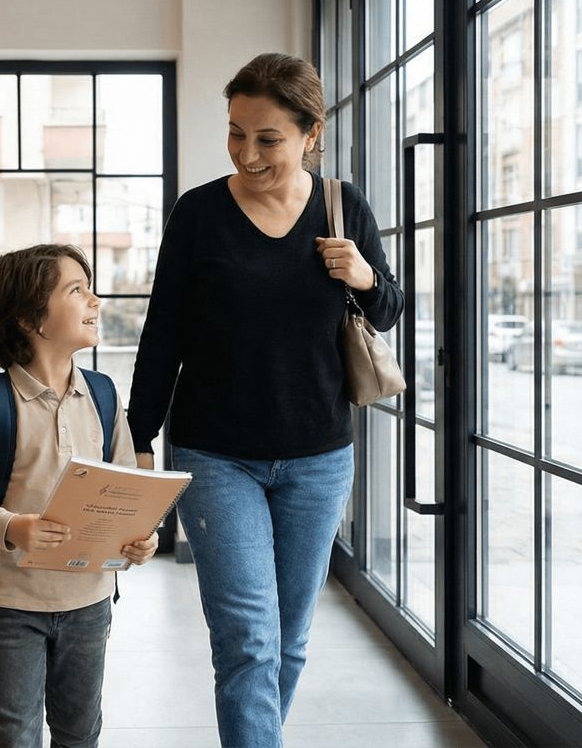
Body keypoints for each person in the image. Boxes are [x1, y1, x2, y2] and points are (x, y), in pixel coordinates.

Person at [127, 53, 403, 747]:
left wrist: (364, 274)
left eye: (267, 138)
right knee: (249, 639)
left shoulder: (344, 206)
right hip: (216, 455)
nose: (247, 153)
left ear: (312, 133)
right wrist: (136, 435)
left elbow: (391, 308)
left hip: (318, 457)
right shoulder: (198, 214)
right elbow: (164, 331)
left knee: (289, 639)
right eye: (235, 132)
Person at [0, 243, 159, 748]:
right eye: (77, 290)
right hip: (10, 601)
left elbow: (128, 486)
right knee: (12, 733)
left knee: (80, 732)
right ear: (28, 319)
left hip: (90, 600)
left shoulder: (103, 395)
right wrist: (14, 527)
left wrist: (139, 538)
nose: (96, 301)